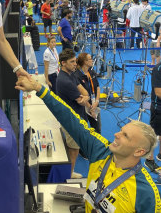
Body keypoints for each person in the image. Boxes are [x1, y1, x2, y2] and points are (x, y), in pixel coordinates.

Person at [15, 76, 161, 213]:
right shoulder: (101, 150)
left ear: (139, 152)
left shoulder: (147, 194)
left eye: (125, 136)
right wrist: (38, 87)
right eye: (121, 131)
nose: (116, 134)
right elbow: (70, 118)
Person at [56, 49, 92, 178]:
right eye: (72, 62)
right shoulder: (65, 81)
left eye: (75, 61)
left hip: (75, 116)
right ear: (63, 63)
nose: (75, 64)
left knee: (74, 147)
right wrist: (85, 97)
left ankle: (69, 171)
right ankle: (69, 173)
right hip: (71, 119)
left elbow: (85, 94)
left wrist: (85, 96)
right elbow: (82, 100)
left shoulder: (71, 75)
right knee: (74, 148)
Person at [75, 53, 101, 133]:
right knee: (83, 130)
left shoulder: (91, 71)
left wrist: (96, 101)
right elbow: (80, 94)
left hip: (94, 104)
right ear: (84, 62)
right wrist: (90, 108)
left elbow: (97, 87)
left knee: (97, 129)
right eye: (90, 59)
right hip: (84, 106)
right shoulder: (77, 75)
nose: (92, 60)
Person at [145, 62, 161, 172]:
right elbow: (158, 92)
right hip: (158, 108)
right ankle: (149, 160)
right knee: (153, 135)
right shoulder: (158, 69)